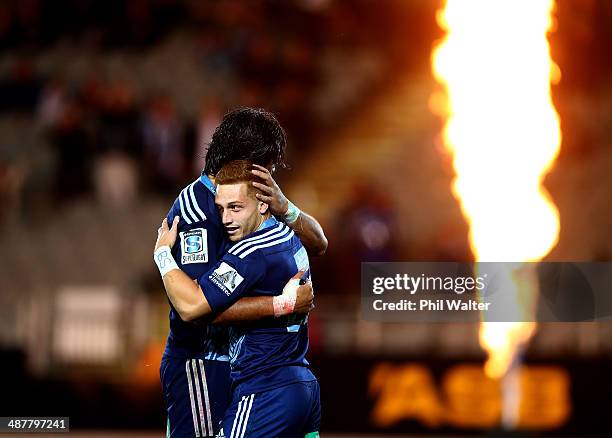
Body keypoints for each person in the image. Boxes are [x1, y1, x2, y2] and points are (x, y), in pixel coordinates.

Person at [159, 108, 327, 437]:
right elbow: (196, 306)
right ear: (250, 164)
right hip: (202, 361)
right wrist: (282, 304)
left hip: (247, 367)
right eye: (269, 166)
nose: (272, 174)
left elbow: (319, 243)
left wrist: (285, 207)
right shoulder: (197, 211)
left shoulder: (257, 198)